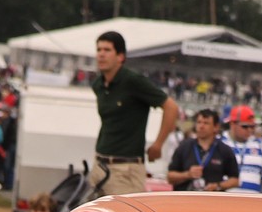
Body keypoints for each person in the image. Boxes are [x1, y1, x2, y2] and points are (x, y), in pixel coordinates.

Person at [90, 30, 180, 198]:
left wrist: (158, 144)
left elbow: (171, 107)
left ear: (120, 56)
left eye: (107, 50)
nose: (101, 54)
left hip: (126, 168)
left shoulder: (133, 81)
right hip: (99, 164)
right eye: (98, 50)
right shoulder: (98, 85)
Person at [166, 109, 239, 192]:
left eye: (206, 123)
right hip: (186, 197)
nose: (201, 126)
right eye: (199, 122)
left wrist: (218, 186)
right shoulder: (184, 146)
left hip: (211, 198)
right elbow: (170, 177)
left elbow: (235, 180)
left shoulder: (224, 150)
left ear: (216, 127)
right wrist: (187, 174)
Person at [222, 106, 262, 193]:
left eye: (252, 127)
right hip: (225, 198)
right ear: (232, 124)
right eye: (245, 126)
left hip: (252, 199)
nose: (249, 130)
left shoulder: (260, 145)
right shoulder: (220, 142)